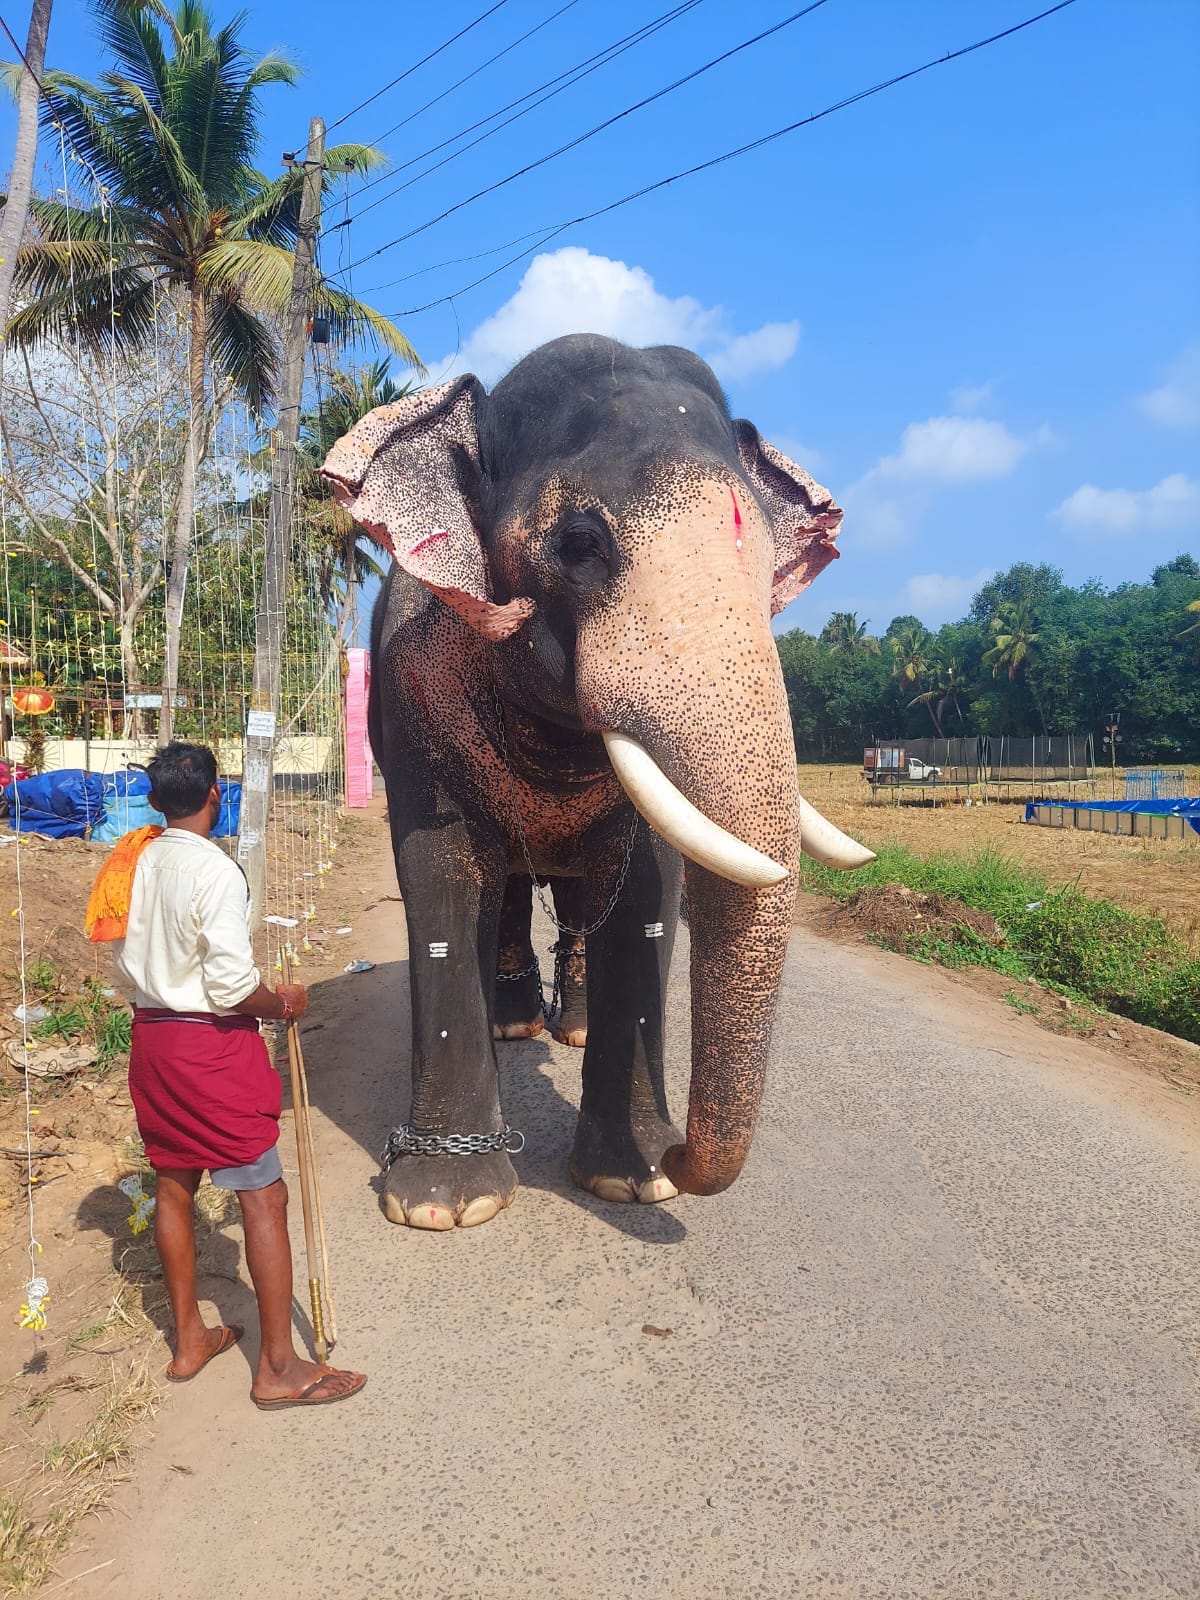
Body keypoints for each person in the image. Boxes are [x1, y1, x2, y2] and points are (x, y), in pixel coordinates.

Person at [104, 741, 365, 1410]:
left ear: (155, 802)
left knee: (172, 1185)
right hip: (209, 1048)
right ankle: (277, 1367)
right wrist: (281, 1004)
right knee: (263, 1198)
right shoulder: (216, 873)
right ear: (217, 797)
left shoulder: (133, 860)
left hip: (153, 1041)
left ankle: (191, 1339)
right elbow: (226, 985)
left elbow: (127, 960)